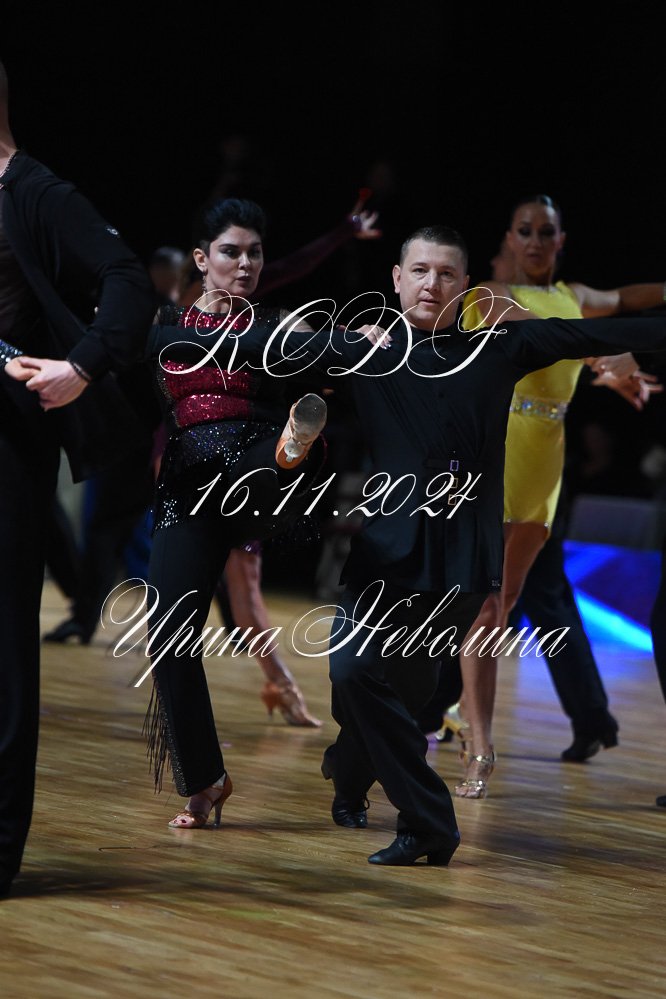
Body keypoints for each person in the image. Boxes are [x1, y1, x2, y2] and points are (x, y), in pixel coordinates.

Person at [149, 223, 666, 865]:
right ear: (396, 280)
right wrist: (164, 334)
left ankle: (348, 773)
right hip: (385, 556)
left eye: (446, 274)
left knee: (403, 698)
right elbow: (260, 345)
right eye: (419, 271)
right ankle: (427, 822)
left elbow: (598, 334)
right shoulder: (370, 351)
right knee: (352, 674)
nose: (431, 284)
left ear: (466, 286)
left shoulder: (503, 346)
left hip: (461, 564)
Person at [423, 194, 666, 798]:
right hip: (497, 454)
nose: (535, 241)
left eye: (546, 232)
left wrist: (618, 352)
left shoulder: (574, 295)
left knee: (504, 605)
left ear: (561, 240)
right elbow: (547, 335)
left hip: (545, 466)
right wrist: (607, 355)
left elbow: (626, 299)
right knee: (483, 606)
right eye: (525, 231)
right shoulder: (490, 295)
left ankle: (450, 710)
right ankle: (478, 744)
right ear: (509, 238)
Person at [0, 59, 155, 897]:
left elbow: (126, 281)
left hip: (7, 448)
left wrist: (83, 366)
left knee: (4, 651)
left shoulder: (35, 192)